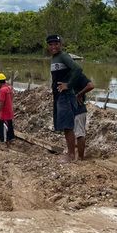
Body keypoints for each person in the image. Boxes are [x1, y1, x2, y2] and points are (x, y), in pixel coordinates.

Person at [47, 34, 92, 162]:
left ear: (60, 44)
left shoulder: (63, 56)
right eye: (51, 44)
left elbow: (78, 69)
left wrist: (68, 85)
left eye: (56, 44)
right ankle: (73, 154)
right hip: (59, 96)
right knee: (65, 126)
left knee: (67, 126)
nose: (53, 46)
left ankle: (71, 155)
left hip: (65, 96)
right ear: (48, 46)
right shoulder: (55, 58)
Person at [69, 73, 95, 160]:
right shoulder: (66, 76)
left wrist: (79, 94)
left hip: (78, 108)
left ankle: (80, 158)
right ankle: (74, 155)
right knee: (73, 132)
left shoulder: (78, 75)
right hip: (70, 109)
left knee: (79, 134)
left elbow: (91, 85)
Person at [0, 73, 15, 146]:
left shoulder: (2, 90)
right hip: (9, 112)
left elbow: (1, 104)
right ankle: (10, 141)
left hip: (4, 115)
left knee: (3, 131)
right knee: (9, 129)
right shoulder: (9, 88)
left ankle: (4, 145)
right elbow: (12, 97)